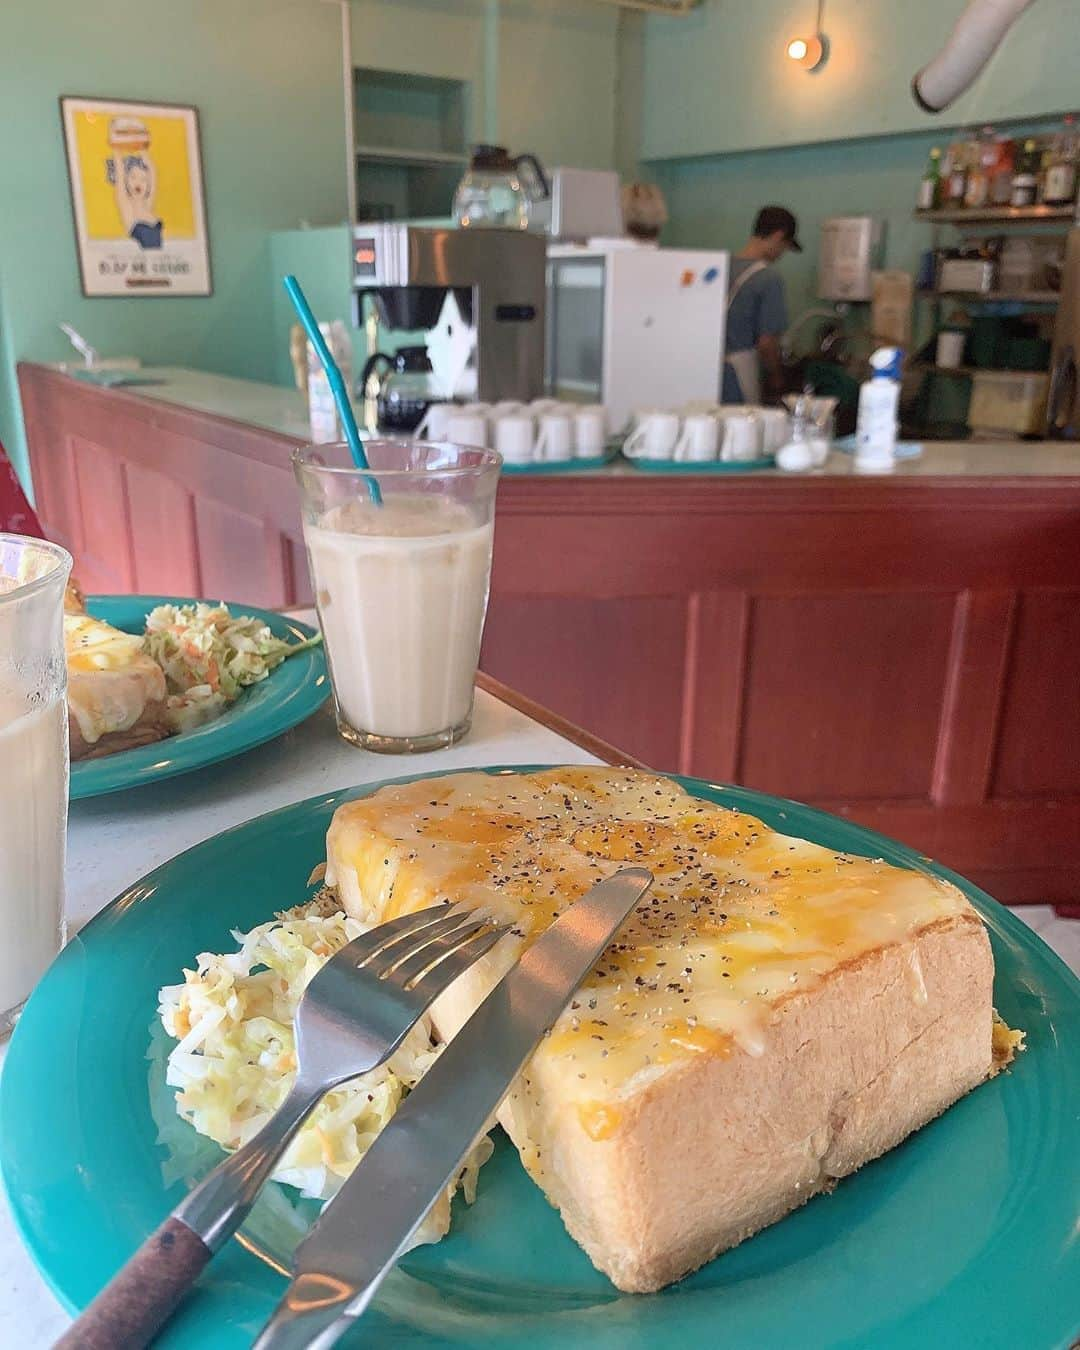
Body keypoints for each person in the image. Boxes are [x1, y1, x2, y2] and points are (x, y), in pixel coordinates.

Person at [722, 206, 802, 405]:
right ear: (778, 236)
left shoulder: (721, 266)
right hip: (740, 374)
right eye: (784, 246)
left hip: (708, 371)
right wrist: (776, 378)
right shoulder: (768, 278)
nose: (782, 254)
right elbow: (767, 343)